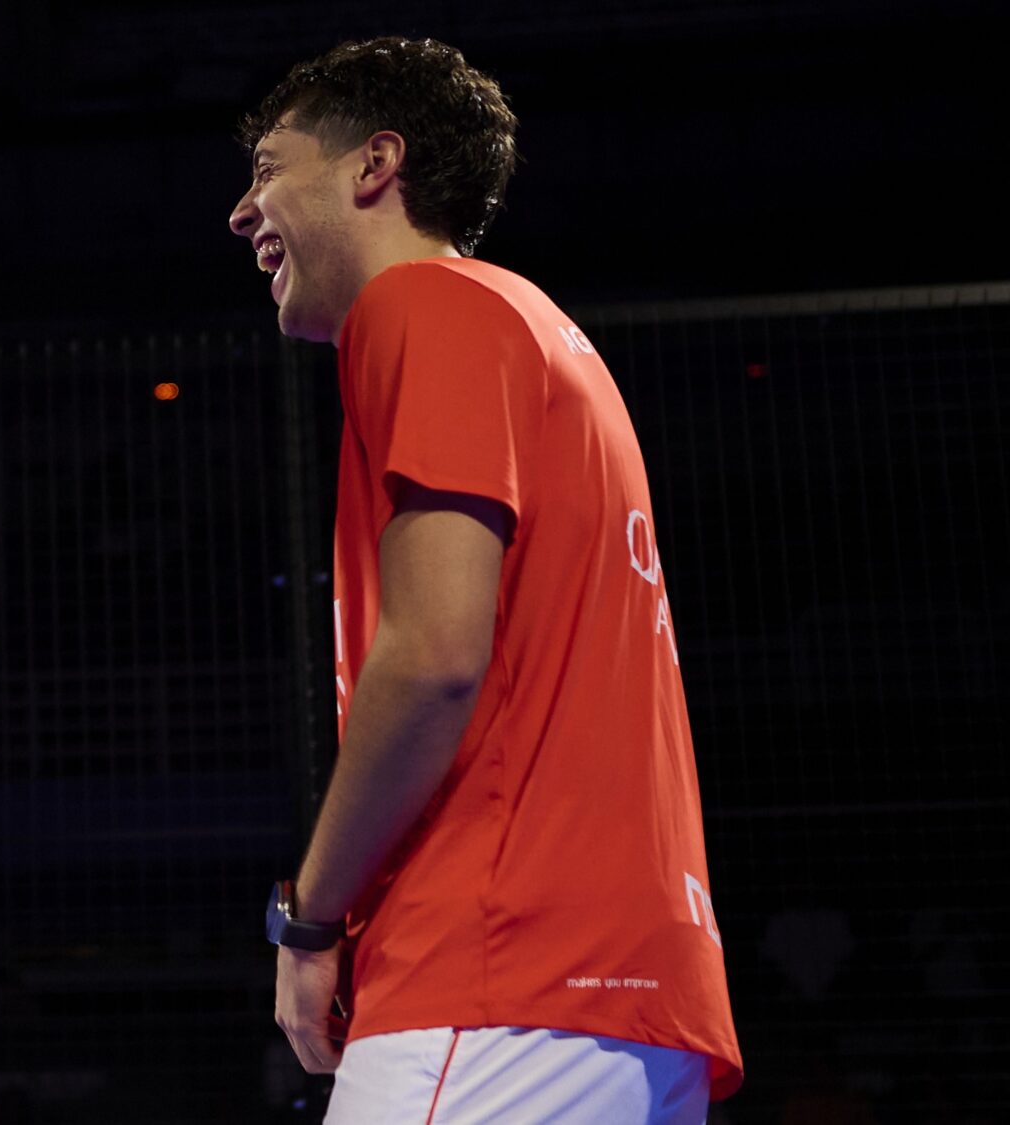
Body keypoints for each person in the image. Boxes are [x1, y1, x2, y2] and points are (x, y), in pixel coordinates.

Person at [230, 38, 741, 1122]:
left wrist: (308, 920)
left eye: (269, 168)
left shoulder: (422, 306)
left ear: (373, 167)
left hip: (500, 970)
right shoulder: (535, 329)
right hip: (630, 1004)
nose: (243, 211)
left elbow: (432, 659)